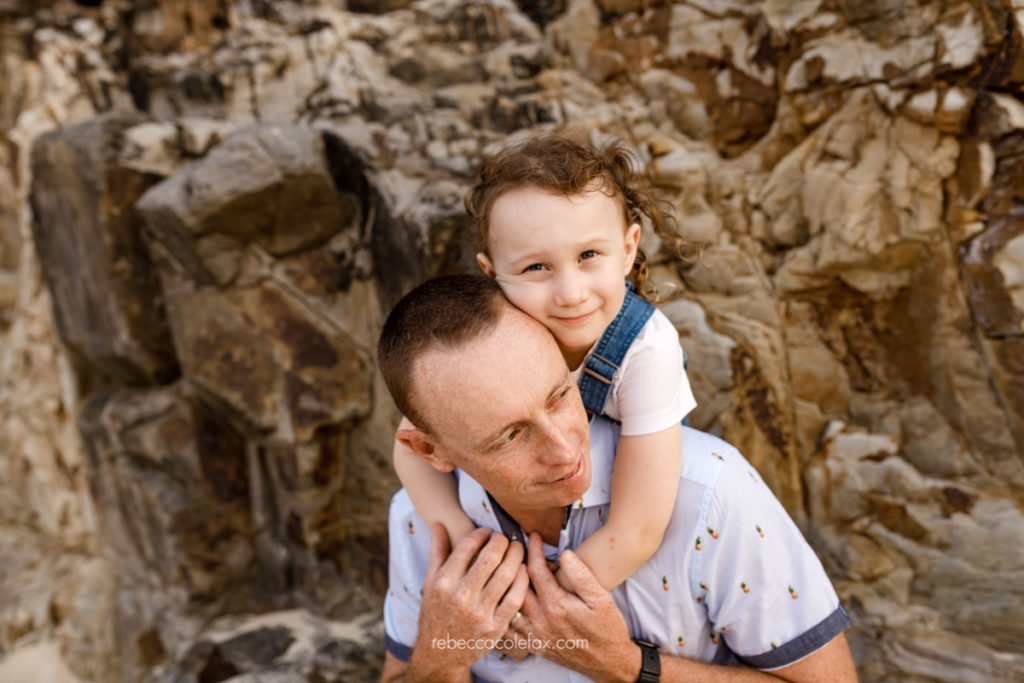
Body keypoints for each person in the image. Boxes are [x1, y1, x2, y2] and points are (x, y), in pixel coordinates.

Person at [377, 274, 857, 682]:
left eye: (559, 396)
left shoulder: (710, 493)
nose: (565, 451)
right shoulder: (419, 521)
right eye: (510, 436)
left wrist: (627, 665)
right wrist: (440, 656)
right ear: (429, 451)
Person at [393, 131, 696, 595]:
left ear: (629, 248)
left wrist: (532, 611)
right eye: (536, 267)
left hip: (622, 499)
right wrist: (458, 532)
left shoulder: (647, 352)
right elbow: (409, 444)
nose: (571, 294)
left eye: (589, 255)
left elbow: (636, 530)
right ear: (491, 273)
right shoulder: (497, 331)